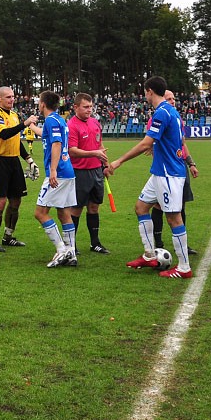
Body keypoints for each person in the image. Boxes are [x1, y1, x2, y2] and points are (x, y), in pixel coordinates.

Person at [105, 77, 192, 279]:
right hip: (160, 172)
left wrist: (118, 162)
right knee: (141, 207)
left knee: (173, 218)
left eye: (145, 91)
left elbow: (146, 143)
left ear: (149, 91)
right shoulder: (171, 111)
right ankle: (150, 255)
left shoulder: (162, 112)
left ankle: (184, 267)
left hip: (169, 174)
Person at [0, 86, 38, 252]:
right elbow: (5, 134)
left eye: (13, 96)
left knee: (16, 201)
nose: (11, 99)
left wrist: (29, 160)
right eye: (8, 97)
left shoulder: (14, 115)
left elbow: (15, 139)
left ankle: (8, 236)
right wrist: (25, 124)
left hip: (14, 161)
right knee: (0, 202)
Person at [28, 91, 77, 267]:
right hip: (68, 171)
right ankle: (71, 253)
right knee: (64, 212)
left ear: (42, 104)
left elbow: (56, 143)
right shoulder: (58, 120)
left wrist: (53, 171)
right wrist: (32, 126)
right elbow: (47, 135)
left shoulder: (50, 120)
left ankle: (61, 249)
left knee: (40, 213)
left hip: (59, 173)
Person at [149, 90, 198, 256]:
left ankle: (183, 245)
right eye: (169, 98)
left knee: (180, 205)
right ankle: (159, 241)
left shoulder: (176, 117)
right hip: (165, 169)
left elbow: (182, 143)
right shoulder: (158, 117)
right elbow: (151, 142)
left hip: (179, 165)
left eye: (174, 98)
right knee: (157, 205)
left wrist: (191, 163)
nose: (172, 101)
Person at [66, 93, 110, 254]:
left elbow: (99, 144)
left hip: (96, 170)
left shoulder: (95, 122)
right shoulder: (71, 125)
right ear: (76, 107)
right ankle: (72, 244)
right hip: (80, 172)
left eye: (91, 106)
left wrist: (105, 163)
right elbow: (72, 151)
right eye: (85, 107)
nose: (89, 110)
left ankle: (95, 243)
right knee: (76, 208)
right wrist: (94, 153)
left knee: (94, 207)